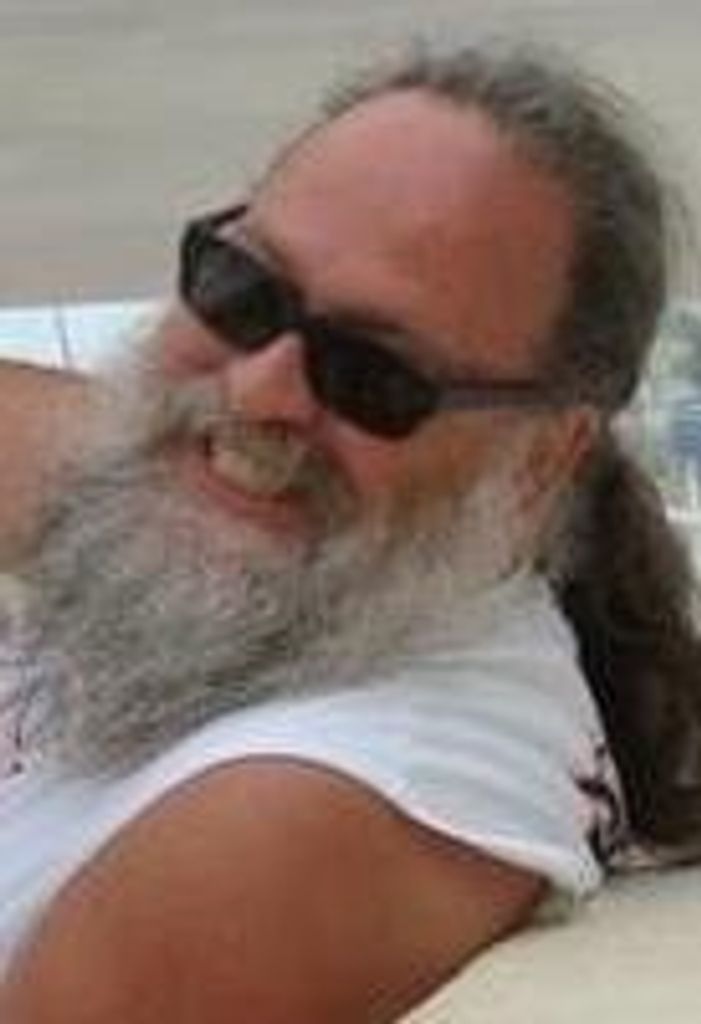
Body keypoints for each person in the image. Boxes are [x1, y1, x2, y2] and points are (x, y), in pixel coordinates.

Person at [0, 40, 700, 1023]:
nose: (258, 389)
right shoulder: (275, 541)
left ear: (545, 454)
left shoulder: (303, 815)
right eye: (242, 290)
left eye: (373, 375)